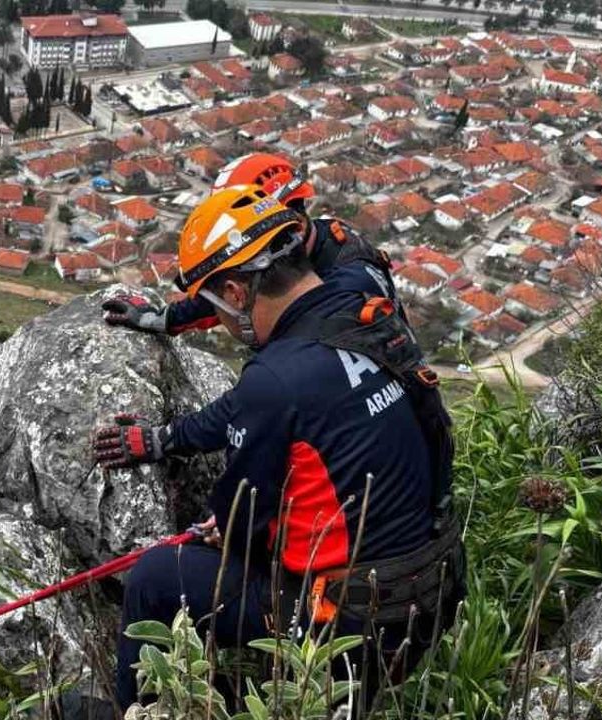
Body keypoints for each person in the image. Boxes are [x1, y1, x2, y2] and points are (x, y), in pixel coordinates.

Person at [94, 186, 464, 714]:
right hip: (430, 590)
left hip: (349, 630)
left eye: (218, 305)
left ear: (238, 295)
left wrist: (223, 525)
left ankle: (136, 710)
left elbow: (241, 523)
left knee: (155, 577)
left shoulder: (276, 379)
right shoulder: (360, 305)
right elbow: (267, 408)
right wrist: (165, 440)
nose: (221, 320)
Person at [102, 153, 397, 337]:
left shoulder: (347, 285)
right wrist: (161, 318)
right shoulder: (300, 249)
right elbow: (227, 293)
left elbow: (290, 381)